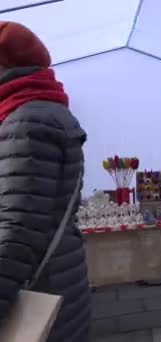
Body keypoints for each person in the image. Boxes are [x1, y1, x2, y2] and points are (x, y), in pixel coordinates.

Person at [0, 21, 90, 341]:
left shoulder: (25, 120)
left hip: (39, 283)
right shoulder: (44, 110)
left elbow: (17, 230)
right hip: (57, 273)